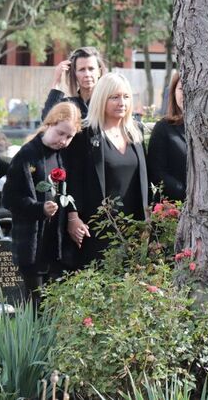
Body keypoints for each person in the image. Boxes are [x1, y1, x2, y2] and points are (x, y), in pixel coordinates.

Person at [64, 72, 148, 269]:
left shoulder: (136, 132)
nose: (122, 103)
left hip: (134, 226)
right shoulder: (84, 134)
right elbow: (73, 178)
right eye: (114, 97)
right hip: (97, 227)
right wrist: (72, 218)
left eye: (126, 97)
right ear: (102, 98)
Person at [2, 102, 81, 308]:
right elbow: (10, 198)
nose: (63, 140)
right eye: (60, 133)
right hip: (33, 245)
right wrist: (39, 208)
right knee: (36, 304)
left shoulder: (62, 155)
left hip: (56, 244)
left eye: (69, 137)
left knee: (55, 304)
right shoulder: (28, 154)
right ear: (49, 123)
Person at [146, 70, 186, 201]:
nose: (186, 93)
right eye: (181, 89)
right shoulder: (163, 128)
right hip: (173, 205)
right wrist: (187, 193)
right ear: (174, 92)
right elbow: (156, 172)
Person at [41, 46, 107, 120]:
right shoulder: (69, 105)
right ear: (74, 74)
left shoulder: (107, 101)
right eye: (82, 70)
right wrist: (56, 82)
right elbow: (47, 119)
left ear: (99, 72)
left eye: (91, 69)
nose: (87, 74)